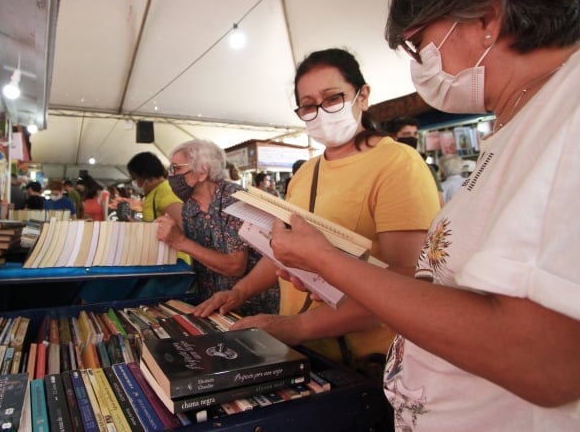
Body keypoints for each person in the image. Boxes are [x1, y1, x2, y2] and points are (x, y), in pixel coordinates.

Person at [268, 0, 580, 429]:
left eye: (420, 43)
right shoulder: (525, 119)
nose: (420, 65)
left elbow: (546, 359)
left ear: (485, 18)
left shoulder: (568, 111)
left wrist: (328, 261)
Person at [195, 48, 440, 375]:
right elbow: (283, 252)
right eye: (308, 105)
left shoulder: (398, 164)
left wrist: (297, 327)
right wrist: (238, 292)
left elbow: (408, 286)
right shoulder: (305, 173)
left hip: (368, 362)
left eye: (332, 98)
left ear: (362, 95)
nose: (321, 112)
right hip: (304, 353)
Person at [156, 139, 279, 316]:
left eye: (177, 168)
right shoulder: (190, 206)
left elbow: (235, 266)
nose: (171, 176)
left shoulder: (236, 201)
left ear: (203, 172)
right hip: (212, 306)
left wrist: (180, 241)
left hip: (251, 308)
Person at [384, 115, 445, 206]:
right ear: (393, 138)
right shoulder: (385, 167)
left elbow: (440, 201)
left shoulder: (425, 167)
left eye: (415, 134)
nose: (413, 138)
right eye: (407, 134)